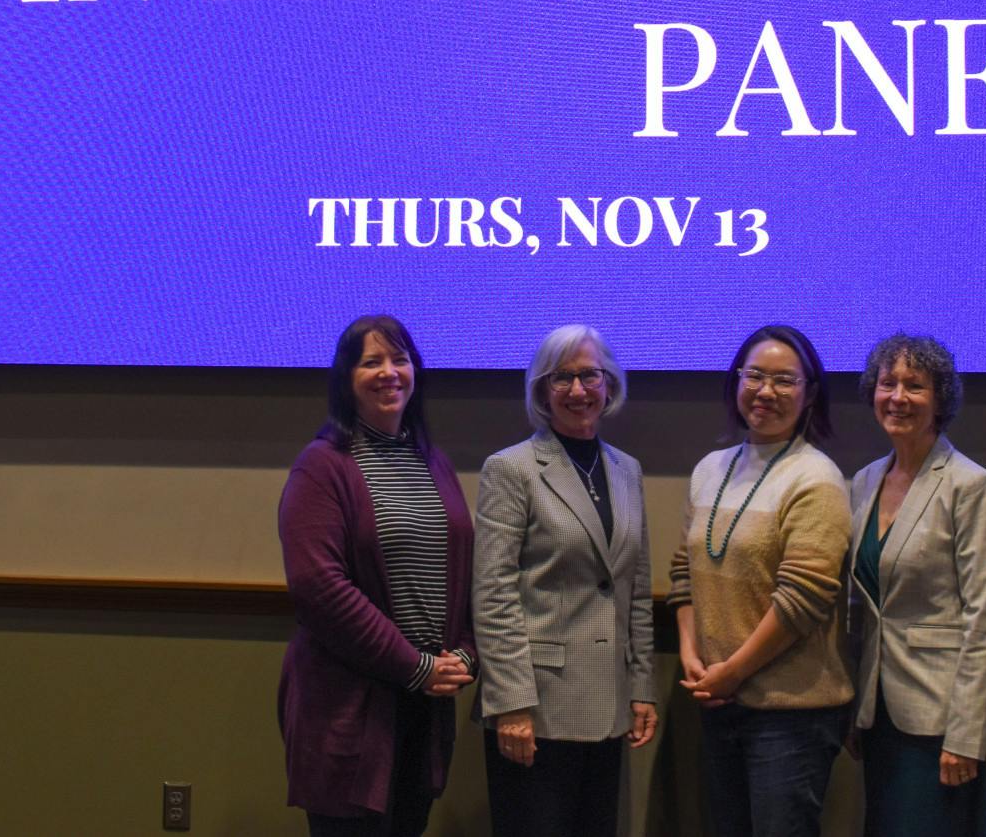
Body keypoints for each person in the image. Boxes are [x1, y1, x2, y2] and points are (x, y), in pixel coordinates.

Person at [276, 315, 477, 837]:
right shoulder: (321, 466)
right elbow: (319, 588)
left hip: (423, 711)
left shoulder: (433, 462)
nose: (390, 373)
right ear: (346, 379)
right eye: (372, 362)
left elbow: (462, 573)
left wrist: (465, 654)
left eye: (400, 359)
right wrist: (414, 666)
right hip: (349, 712)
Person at [471, 324, 658, 836]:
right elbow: (493, 595)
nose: (578, 390)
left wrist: (642, 687)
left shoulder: (627, 470)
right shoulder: (510, 470)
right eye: (562, 378)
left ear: (609, 383)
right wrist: (511, 704)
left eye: (589, 375)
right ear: (541, 390)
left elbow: (636, 590)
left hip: (608, 704)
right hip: (535, 713)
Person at [669, 324, 854, 837]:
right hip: (717, 702)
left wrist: (732, 672)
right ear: (735, 382)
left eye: (784, 380)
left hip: (790, 715)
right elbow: (683, 573)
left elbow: (803, 601)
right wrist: (692, 653)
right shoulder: (710, 469)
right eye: (754, 376)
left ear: (810, 393)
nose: (765, 392)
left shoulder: (816, 478)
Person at [845, 334, 986, 837]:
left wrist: (967, 734)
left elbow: (984, 619)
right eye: (887, 382)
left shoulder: (970, 484)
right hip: (879, 717)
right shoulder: (865, 481)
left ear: (941, 401)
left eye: (914, 385)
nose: (897, 396)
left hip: (939, 723)